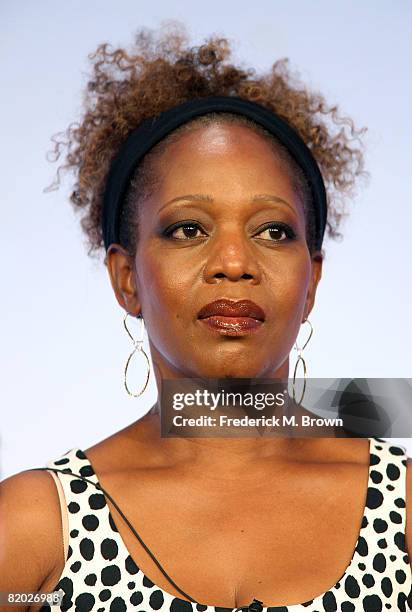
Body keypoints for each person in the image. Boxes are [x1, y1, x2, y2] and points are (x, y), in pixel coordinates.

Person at [1, 25, 411, 612]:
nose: (234, 263)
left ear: (311, 280)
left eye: (273, 231)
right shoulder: (38, 529)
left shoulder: (404, 511)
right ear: (126, 279)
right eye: (187, 229)